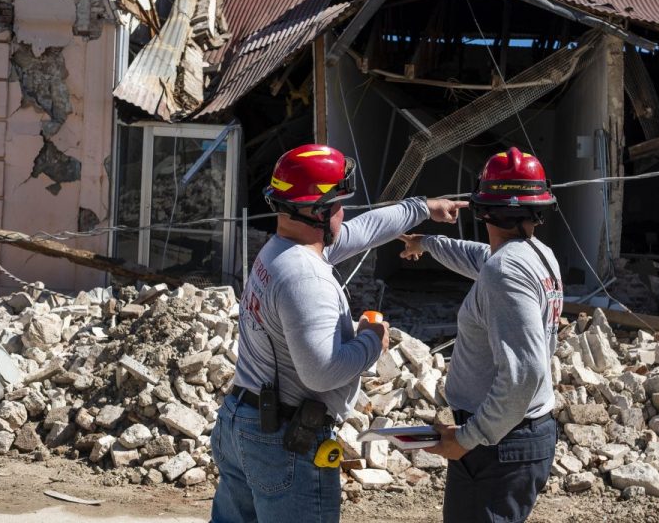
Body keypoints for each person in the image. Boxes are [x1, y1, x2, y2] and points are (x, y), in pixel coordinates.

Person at [211, 143, 466, 523]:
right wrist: (371, 341)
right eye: (338, 204)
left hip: (243, 421)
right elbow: (321, 372)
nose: (343, 213)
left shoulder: (282, 250)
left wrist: (423, 208)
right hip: (283, 439)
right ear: (317, 211)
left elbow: (363, 230)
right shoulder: (304, 277)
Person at [399, 147, 563, 523]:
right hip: (513, 437)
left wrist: (470, 437)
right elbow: (479, 257)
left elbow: (525, 374)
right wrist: (426, 242)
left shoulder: (506, 271)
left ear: (483, 208)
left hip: (498, 444)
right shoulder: (537, 255)